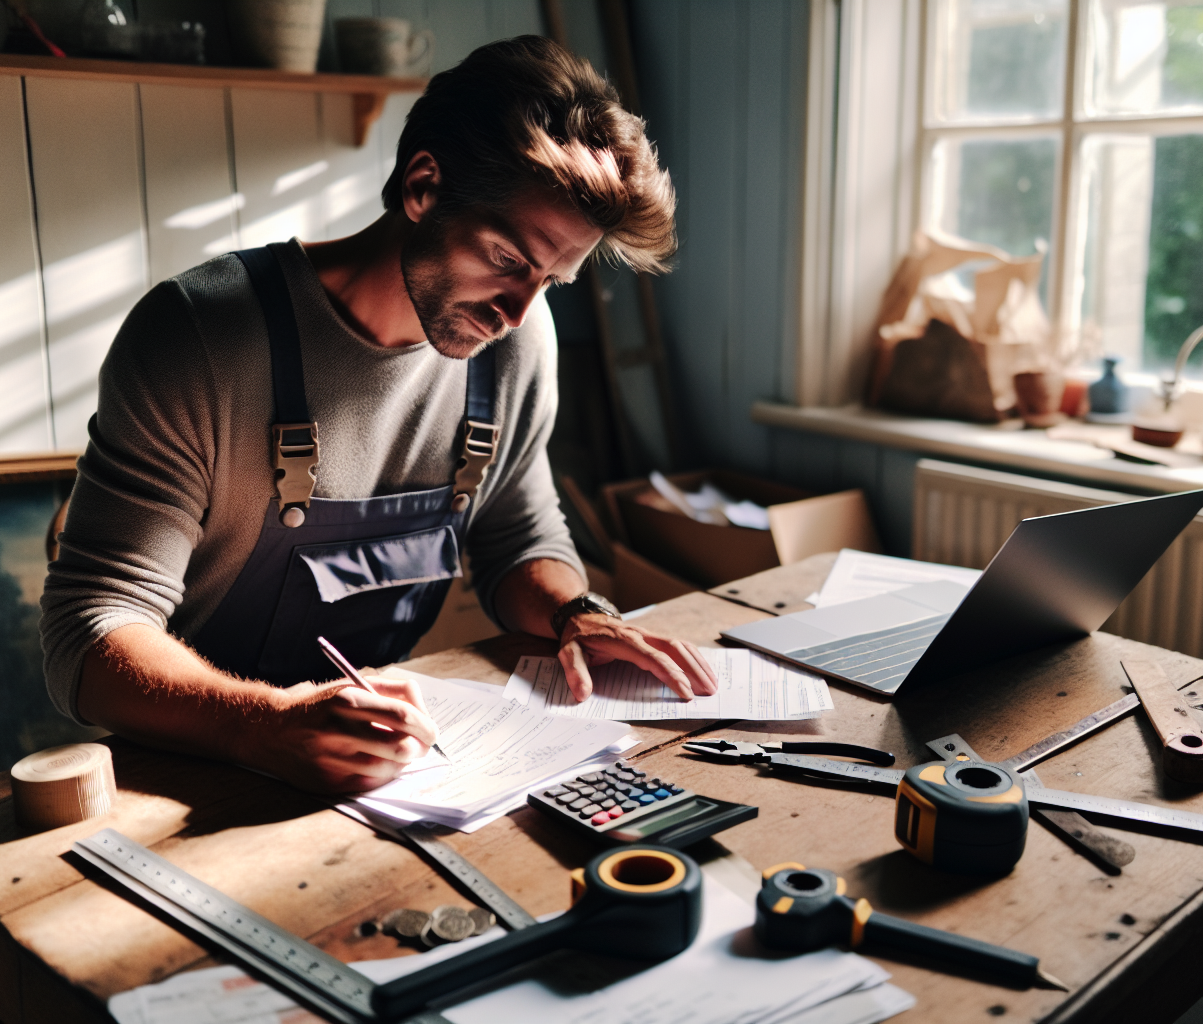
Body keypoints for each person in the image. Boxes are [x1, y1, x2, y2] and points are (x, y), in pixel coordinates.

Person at [39, 36, 715, 795]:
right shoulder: (199, 336)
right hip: (190, 761)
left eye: (553, 281)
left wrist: (576, 612)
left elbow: (518, 534)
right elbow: (88, 629)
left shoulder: (518, 344)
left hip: (384, 764)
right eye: (507, 258)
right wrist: (261, 724)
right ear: (423, 185)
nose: (519, 310)